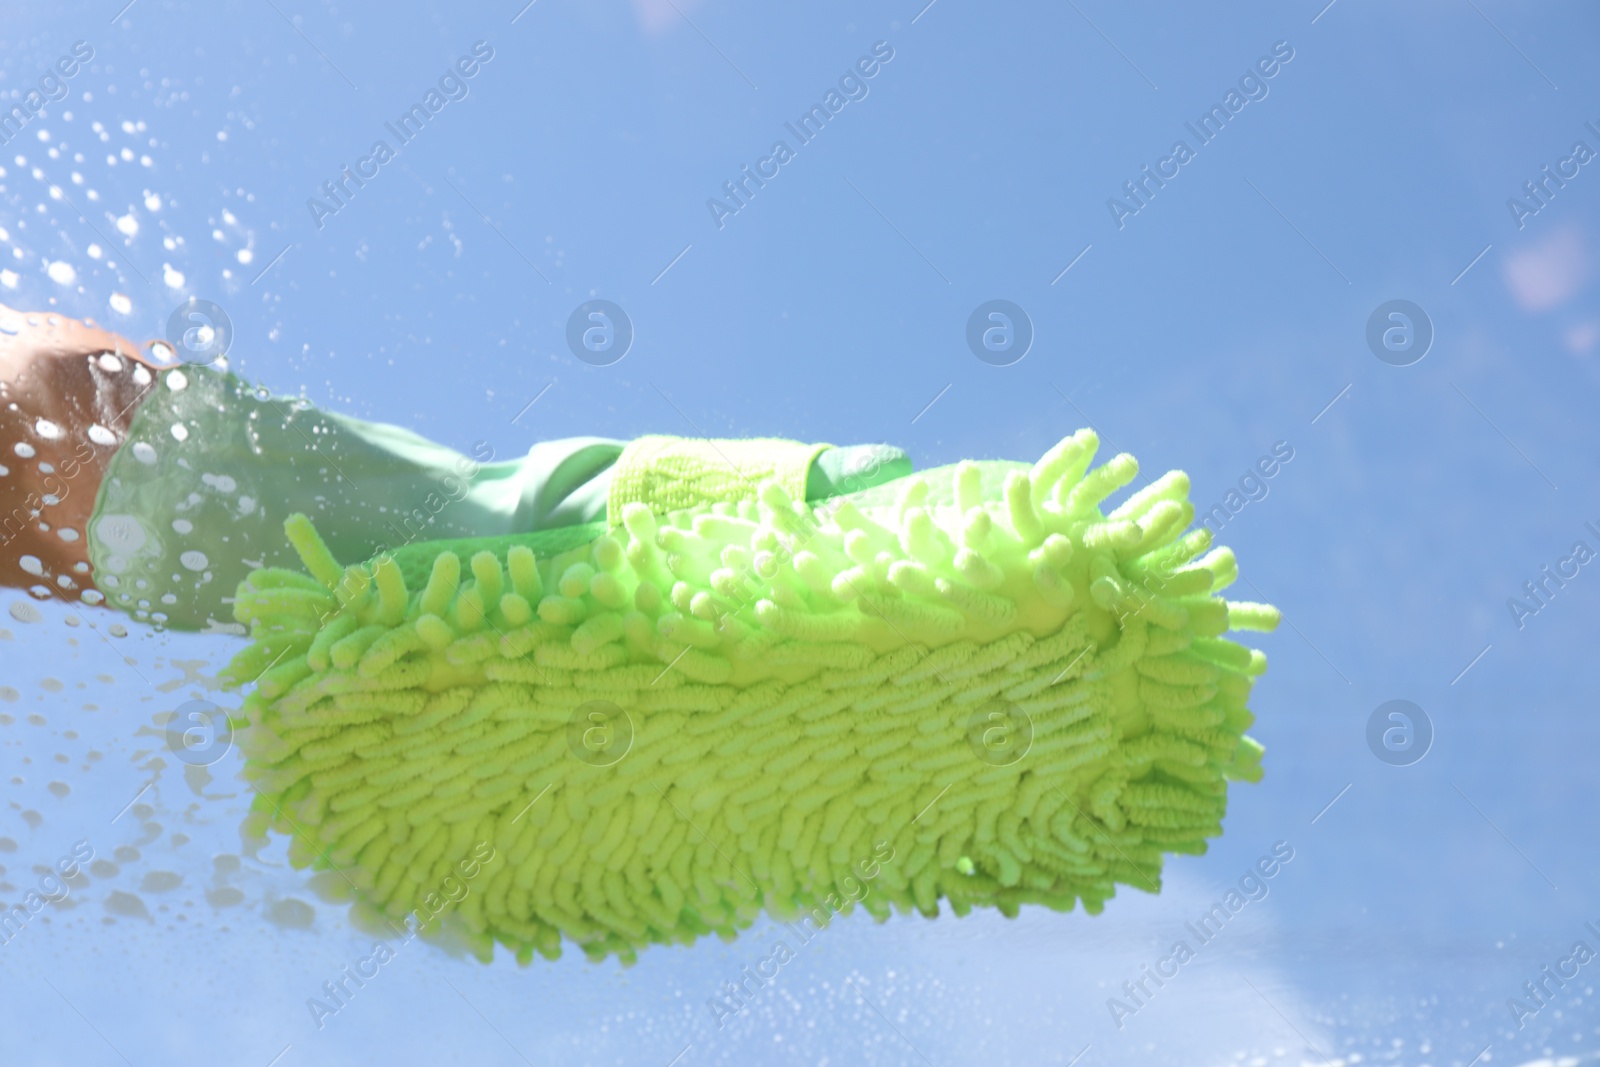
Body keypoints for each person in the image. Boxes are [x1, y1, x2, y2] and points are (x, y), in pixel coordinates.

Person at [0, 305, 910, 632]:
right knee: (433, 573)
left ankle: (784, 509)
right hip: (126, 509)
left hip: (118, 461)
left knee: (464, 545)